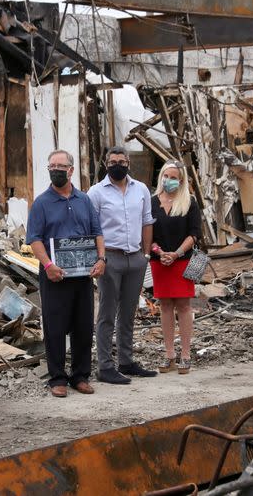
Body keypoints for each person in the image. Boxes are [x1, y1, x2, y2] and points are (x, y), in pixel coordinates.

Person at [26, 150, 105, 398]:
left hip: (83, 274)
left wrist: (101, 259)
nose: (56, 170)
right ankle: (57, 378)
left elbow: (97, 231)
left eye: (61, 166)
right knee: (55, 327)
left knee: (83, 325)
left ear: (71, 170)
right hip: (55, 274)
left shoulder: (84, 200)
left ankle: (80, 376)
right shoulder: (41, 203)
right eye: (52, 166)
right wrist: (48, 265)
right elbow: (34, 239)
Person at [88, 146, 157, 384]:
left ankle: (126, 362)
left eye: (122, 160)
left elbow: (147, 221)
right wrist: (99, 258)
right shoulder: (96, 192)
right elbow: (92, 228)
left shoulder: (141, 190)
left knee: (128, 313)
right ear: (106, 164)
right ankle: (105, 366)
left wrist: (146, 255)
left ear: (128, 163)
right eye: (113, 161)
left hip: (135, 258)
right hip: (110, 258)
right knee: (107, 314)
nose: (117, 164)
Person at [150, 160, 202, 374]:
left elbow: (195, 233)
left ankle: (186, 354)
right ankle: (170, 353)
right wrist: (160, 252)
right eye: (166, 176)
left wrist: (177, 253)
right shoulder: (151, 202)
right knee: (165, 306)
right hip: (159, 261)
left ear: (181, 181)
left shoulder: (189, 202)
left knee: (184, 306)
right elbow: (146, 233)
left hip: (182, 260)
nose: (168, 180)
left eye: (173, 177)